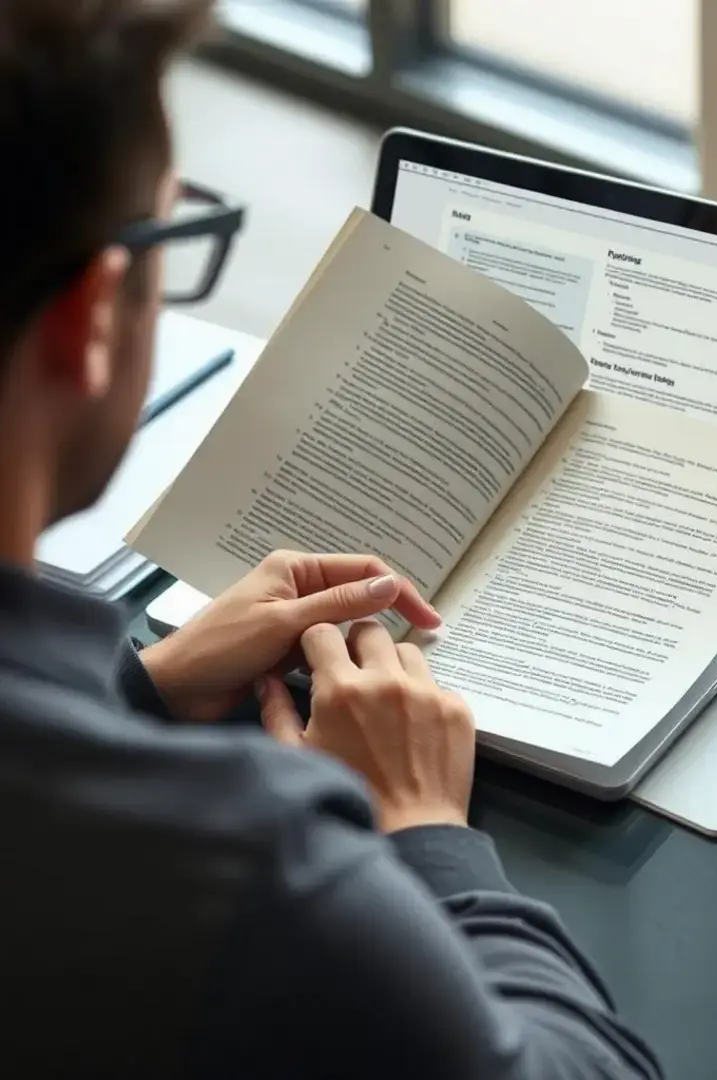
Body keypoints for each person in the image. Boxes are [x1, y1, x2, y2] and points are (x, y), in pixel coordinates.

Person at [0, 2, 662, 1077]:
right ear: (92, 316)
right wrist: (424, 831)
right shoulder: (252, 869)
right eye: (179, 233)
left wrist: (139, 687)